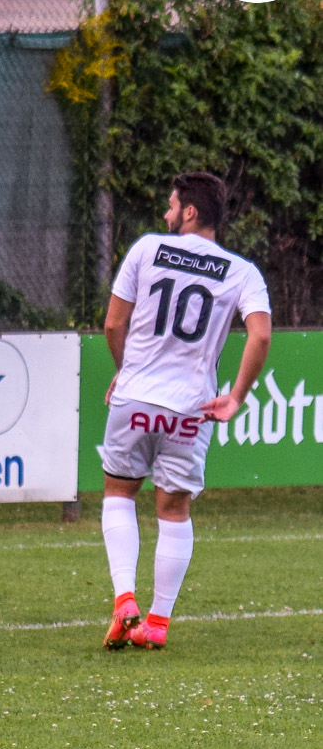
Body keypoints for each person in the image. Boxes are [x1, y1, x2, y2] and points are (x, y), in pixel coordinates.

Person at [99, 171, 271, 651]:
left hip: (136, 398)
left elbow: (113, 323)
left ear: (190, 212)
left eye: (172, 205)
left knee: (119, 492)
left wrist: (125, 370)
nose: (166, 213)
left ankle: (124, 599)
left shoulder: (147, 248)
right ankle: (157, 622)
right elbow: (260, 334)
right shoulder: (242, 272)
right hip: (191, 409)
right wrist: (235, 397)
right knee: (174, 510)